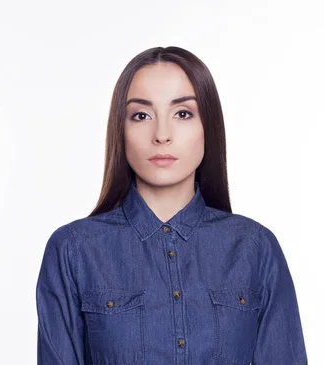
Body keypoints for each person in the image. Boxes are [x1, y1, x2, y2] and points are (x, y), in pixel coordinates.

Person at [35, 46, 308, 365]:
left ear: (209, 127)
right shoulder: (74, 251)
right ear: (120, 131)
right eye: (141, 115)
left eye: (182, 114)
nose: (162, 135)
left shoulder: (254, 247)